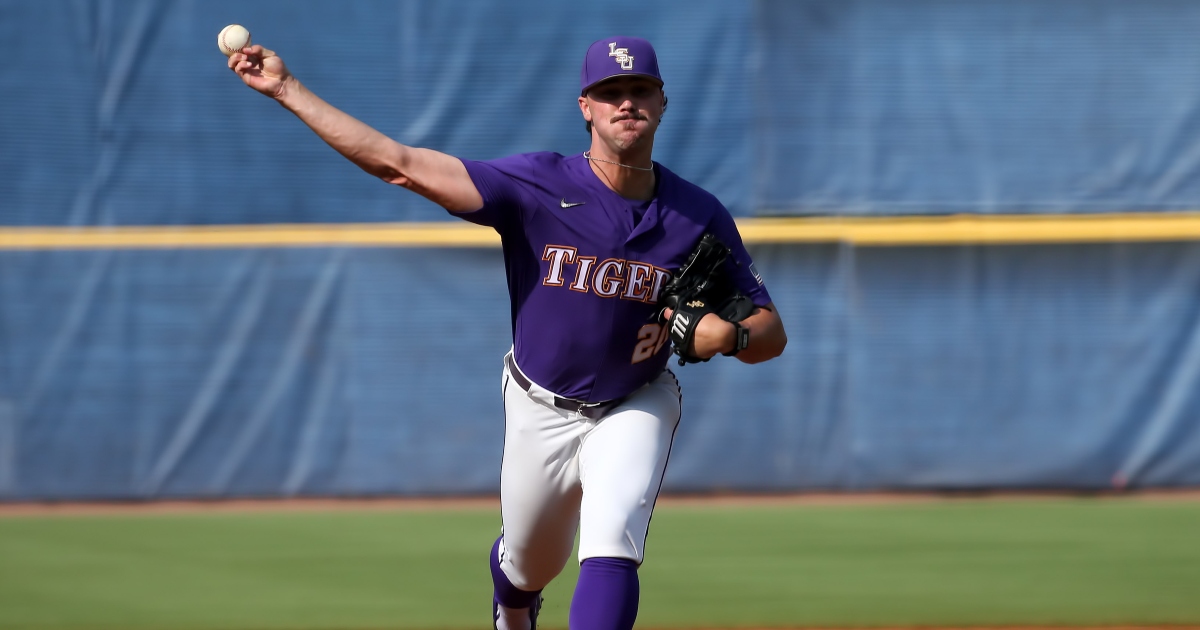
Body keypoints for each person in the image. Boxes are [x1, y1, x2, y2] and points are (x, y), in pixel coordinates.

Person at [228, 35, 787, 630]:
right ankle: (514, 607)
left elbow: (770, 328)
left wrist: (732, 338)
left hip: (636, 398)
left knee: (612, 540)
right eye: (610, 92)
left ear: (662, 102)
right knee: (528, 563)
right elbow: (401, 165)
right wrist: (287, 89)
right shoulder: (537, 186)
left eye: (639, 90)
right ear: (586, 108)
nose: (626, 103)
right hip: (538, 403)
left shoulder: (698, 213)